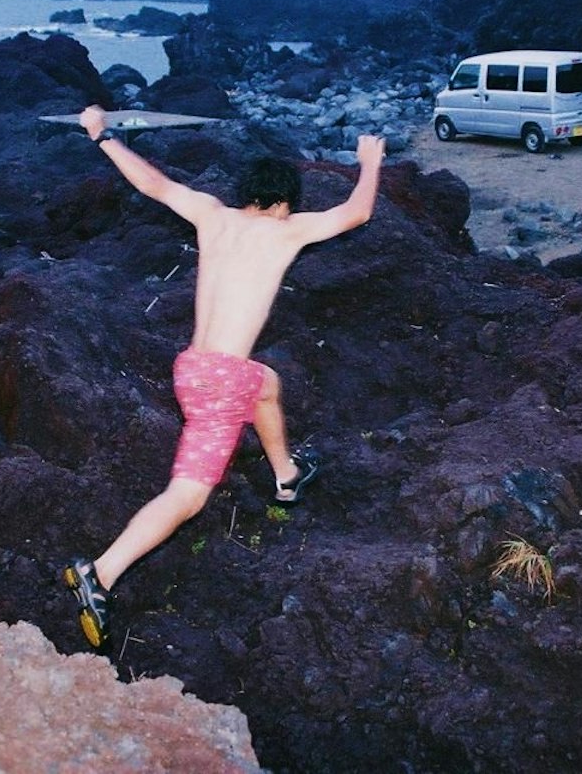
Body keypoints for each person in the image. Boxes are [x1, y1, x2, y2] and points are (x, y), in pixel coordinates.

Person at [63, 105, 385, 648]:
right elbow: (358, 212)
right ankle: (101, 574)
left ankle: (286, 476)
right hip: (222, 384)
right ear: (282, 203)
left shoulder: (211, 214)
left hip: (193, 369)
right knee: (188, 495)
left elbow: (152, 183)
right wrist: (370, 161)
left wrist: (101, 135)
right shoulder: (286, 230)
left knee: (266, 383)